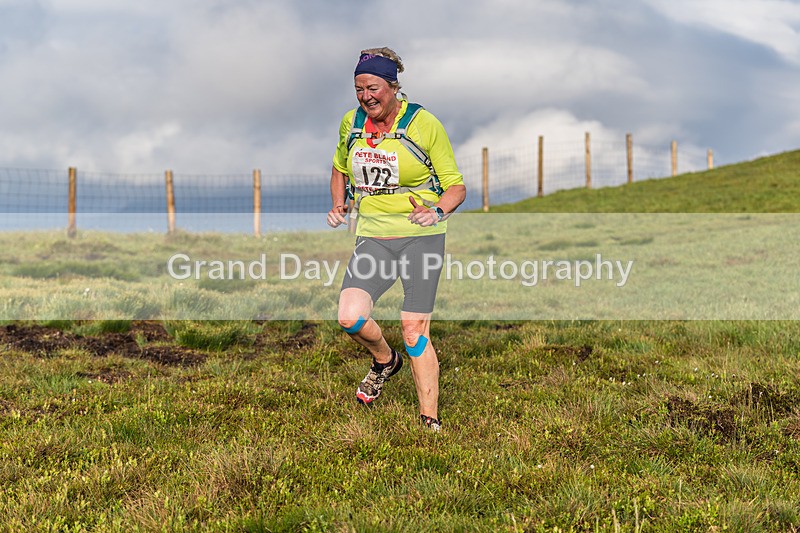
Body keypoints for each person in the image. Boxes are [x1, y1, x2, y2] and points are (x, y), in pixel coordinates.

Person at [326, 47, 466, 431]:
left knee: (413, 330)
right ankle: (386, 361)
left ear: (392, 86)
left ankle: (429, 420)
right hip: (374, 237)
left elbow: (456, 187)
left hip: (421, 237)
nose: (365, 97)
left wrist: (437, 211)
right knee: (350, 317)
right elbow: (339, 168)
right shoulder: (351, 124)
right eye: (359, 89)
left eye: (373, 88)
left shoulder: (423, 124)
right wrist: (339, 204)